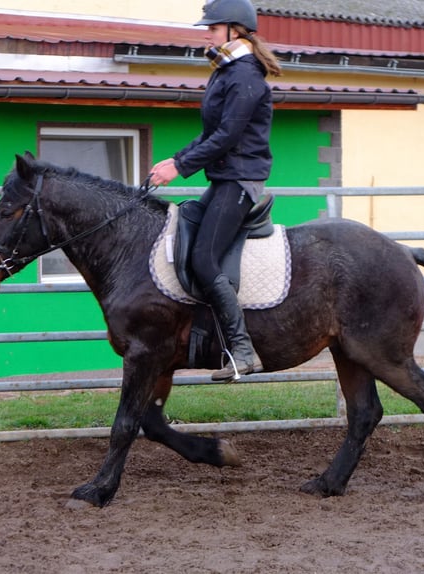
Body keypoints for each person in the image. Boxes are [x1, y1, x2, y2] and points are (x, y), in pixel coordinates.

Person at [149, 0, 282, 382]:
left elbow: (227, 136)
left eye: (213, 27)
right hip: (224, 178)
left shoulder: (245, 76)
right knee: (190, 239)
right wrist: (173, 160)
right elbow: (210, 134)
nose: (207, 33)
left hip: (239, 180)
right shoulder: (226, 72)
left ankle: (242, 349)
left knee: (205, 260)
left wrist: (180, 168)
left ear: (234, 30)